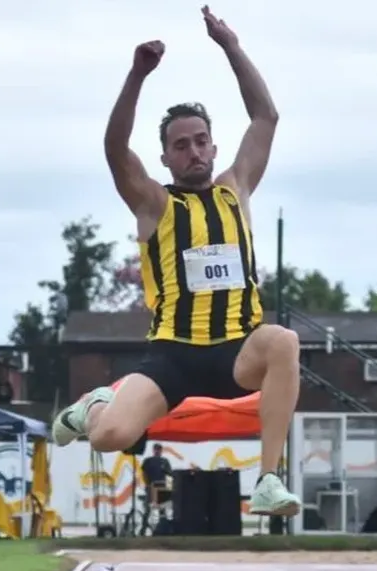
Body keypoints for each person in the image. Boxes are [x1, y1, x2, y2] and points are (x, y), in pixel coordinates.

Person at [52, 5, 301, 517]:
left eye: (201, 141)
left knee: (284, 341)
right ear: (165, 156)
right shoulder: (155, 205)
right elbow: (114, 147)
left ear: (214, 145)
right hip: (173, 355)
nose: (194, 152)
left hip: (236, 349)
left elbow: (266, 118)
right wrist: (137, 74)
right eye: (181, 145)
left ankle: (269, 479)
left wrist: (231, 46)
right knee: (111, 438)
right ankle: (96, 404)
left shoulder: (237, 190)